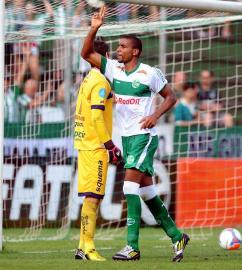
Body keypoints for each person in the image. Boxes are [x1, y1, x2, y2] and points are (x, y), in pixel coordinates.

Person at [81, 6, 189, 262]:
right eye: (117, 47)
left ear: (135, 51)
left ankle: (132, 246)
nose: (118, 50)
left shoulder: (149, 73)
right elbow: (86, 53)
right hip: (127, 138)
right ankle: (177, 237)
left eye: (122, 47)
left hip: (144, 136)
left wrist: (155, 115)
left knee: (129, 186)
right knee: (148, 193)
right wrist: (94, 26)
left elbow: (171, 97)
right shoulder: (113, 70)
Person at [73, 38, 121, 261]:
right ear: (105, 57)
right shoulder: (101, 82)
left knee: (90, 198)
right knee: (93, 198)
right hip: (95, 146)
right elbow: (96, 116)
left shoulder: (88, 79)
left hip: (84, 144)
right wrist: (110, 145)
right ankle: (89, 247)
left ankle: (82, 246)